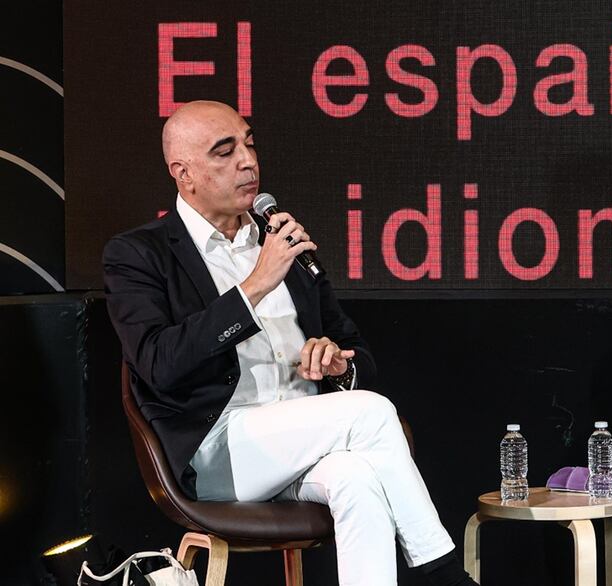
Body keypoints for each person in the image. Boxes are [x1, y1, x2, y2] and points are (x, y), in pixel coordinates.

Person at [104, 100, 478, 586]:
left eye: (250, 144)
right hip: (220, 450)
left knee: (358, 480)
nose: (248, 161)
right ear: (184, 172)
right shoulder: (139, 254)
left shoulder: (281, 242)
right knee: (369, 412)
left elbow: (354, 351)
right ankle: (443, 573)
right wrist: (255, 286)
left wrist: (336, 364)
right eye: (225, 152)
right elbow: (157, 364)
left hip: (305, 446)